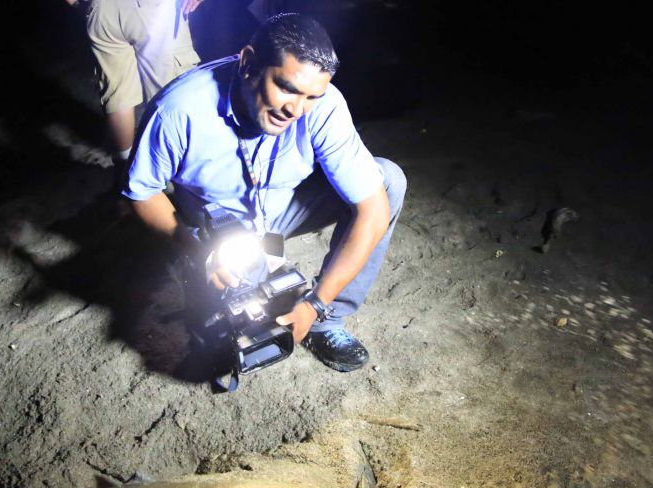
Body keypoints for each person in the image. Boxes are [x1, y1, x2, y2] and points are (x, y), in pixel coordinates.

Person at [123, 13, 406, 372]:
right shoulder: (179, 110)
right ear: (248, 62)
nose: (296, 109)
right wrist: (198, 246)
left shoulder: (323, 105)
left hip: (283, 209)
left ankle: (328, 323)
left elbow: (373, 209)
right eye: (286, 87)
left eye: (311, 96)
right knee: (226, 328)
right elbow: (141, 192)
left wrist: (315, 304)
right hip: (219, 228)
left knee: (387, 180)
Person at [67, 0, 205, 161]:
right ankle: (188, 172)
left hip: (102, 10)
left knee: (119, 96)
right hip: (151, 9)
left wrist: (84, 6)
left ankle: (129, 172)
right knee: (175, 93)